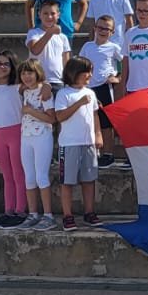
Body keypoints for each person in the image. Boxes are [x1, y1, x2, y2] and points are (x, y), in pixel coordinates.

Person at [53, 56, 103, 231]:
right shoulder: (63, 93)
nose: (89, 75)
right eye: (86, 72)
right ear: (75, 73)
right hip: (69, 144)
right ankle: (68, 215)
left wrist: (98, 135)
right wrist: (79, 104)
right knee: (67, 181)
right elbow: (60, 116)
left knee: (89, 180)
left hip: (88, 143)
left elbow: (95, 115)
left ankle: (89, 212)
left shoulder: (91, 93)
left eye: (90, 72)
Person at [77, 15, 126, 167]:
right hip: (88, 88)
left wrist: (118, 77)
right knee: (89, 121)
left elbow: (125, 62)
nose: (103, 31)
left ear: (112, 32)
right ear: (95, 28)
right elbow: (80, 64)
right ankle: (93, 153)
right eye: (100, 27)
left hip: (104, 87)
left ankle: (108, 154)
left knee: (106, 123)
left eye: (107, 29)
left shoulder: (114, 47)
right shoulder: (87, 47)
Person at [0, 51, 28, 229]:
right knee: (7, 175)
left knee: (18, 174)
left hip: (16, 132)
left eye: (6, 64)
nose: (2, 67)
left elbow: (40, 84)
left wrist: (47, 87)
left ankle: (20, 211)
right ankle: (8, 211)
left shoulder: (19, 87)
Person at [15, 59, 56, 231]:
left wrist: (31, 111)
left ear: (37, 73)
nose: (27, 77)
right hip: (26, 137)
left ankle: (48, 215)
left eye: (30, 73)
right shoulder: (24, 91)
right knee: (29, 177)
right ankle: (33, 214)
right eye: (23, 73)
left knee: (41, 176)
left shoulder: (44, 92)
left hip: (42, 136)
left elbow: (51, 118)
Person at [26, 0, 72, 88]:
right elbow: (35, 50)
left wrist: (67, 81)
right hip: (37, 81)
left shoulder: (63, 37)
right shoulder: (33, 33)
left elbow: (66, 61)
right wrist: (50, 33)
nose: (49, 17)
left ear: (58, 15)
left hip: (58, 81)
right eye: (45, 13)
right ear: (39, 14)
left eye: (53, 13)